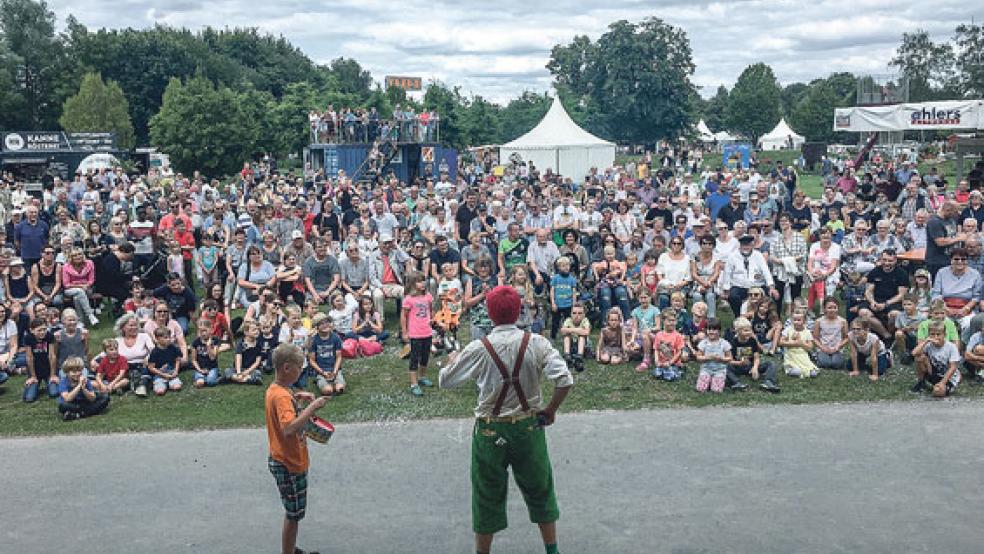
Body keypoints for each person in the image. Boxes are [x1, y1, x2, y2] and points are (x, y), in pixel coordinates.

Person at [438, 285, 572, 554]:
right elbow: (564, 379)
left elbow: (446, 381)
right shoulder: (536, 342)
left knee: (486, 494)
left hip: (490, 430)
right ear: (518, 311)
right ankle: (552, 550)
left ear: (489, 314)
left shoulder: (479, 347)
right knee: (541, 488)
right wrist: (551, 410)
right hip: (528, 426)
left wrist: (452, 359)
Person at [265, 342, 329, 554]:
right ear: (286, 368)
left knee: (294, 512)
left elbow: (285, 410)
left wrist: (297, 398)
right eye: (299, 367)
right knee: (293, 515)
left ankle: (290, 549)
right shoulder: (282, 396)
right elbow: (289, 428)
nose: (301, 370)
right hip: (289, 462)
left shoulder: (277, 389)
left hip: (282, 457)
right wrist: (313, 407)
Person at [401, 270, 434, 397]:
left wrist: (432, 321)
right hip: (415, 333)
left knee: (425, 356)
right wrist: (405, 332)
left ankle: (422, 377)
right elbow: (403, 317)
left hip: (427, 332)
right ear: (413, 284)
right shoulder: (408, 299)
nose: (423, 283)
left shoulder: (428, 296)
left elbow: (430, 311)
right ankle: (414, 384)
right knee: (414, 358)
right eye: (419, 281)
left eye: (423, 280)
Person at [727, 317, 780, 392]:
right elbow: (730, 361)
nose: (749, 332)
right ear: (738, 331)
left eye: (750, 330)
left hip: (751, 366)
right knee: (725, 366)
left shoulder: (752, 341)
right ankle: (736, 383)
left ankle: (768, 382)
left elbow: (756, 357)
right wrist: (740, 363)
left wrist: (755, 367)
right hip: (738, 367)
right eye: (745, 330)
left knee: (771, 364)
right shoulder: (733, 342)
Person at [911, 321, 961, 398]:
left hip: (948, 377)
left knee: (937, 393)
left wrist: (942, 383)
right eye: (932, 334)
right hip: (934, 372)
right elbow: (914, 353)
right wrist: (926, 341)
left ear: (944, 335)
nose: (935, 337)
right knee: (919, 357)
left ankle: (938, 386)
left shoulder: (951, 347)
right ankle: (921, 382)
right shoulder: (929, 344)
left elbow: (953, 367)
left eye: (938, 334)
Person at [57, 356, 109, 421]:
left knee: (105, 397)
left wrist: (84, 389)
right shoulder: (63, 382)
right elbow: (67, 398)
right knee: (62, 405)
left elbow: (92, 398)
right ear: (67, 373)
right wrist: (79, 385)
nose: (77, 374)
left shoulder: (86, 380)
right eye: (73, 372)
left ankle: (78, 415)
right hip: (73, 403)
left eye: (79, 371)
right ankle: (87, 412)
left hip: (85, 402)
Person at [308, 313, 344, 396]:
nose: (325, 325)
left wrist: (335, 372)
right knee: (328, 391)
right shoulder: (314, 340)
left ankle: (335, 382)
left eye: (326, 322)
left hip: (334, 369)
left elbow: (339, 357)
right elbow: (312, 360)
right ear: (316, 327)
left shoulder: (335, 337)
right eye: (321, 324)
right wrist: (323, 372)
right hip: (321, 371)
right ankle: (320, 381)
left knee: (340, 388)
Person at [695, 318, 731, 393]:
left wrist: (721, 359)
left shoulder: (724, 343)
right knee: (700, 389)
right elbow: (698, 357)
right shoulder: (703, 343)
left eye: (714, 330)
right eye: (709, 329)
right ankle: (708, 380)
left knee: (716, 390)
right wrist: (707, 357)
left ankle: (718, 380)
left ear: (719, 331)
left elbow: (729, 358)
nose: (711, 332)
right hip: (706, 369)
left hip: (719, 370)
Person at [813, 298, 849, 370]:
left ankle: (835, 359)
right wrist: (822, 347)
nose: (832, 310)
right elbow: (815, 338)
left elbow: (846, 338)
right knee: (825, 363)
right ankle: (817, 356)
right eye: (829, 308)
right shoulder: (819, 321)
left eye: (835, 308)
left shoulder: (843, 321)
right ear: (824, 309)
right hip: (823, 348)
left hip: (836, 349)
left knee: (836, 364)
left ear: (838, 308)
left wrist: (838, 346)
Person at [781, 311, 818, 378]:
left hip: (803, 356)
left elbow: (810, 347)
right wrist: (793, 343)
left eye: (799, 320)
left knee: (813, 374)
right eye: (794, 320)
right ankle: (790, 368)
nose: (796, 322)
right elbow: (781, 342)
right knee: (797, 372)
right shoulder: (788, 330)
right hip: (791, 355)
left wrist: (801, 343)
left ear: (804, 321)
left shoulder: (807, 332)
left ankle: (806, 369)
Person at [147, 326, 183, 396]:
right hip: (159, 376)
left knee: (177, 387)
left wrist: (176, 371)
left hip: (171, 373)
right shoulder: (155, 352)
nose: (169, 339)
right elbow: (151, 367)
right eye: (166, 338)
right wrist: (163, 374)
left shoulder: (173, 348)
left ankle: (172, 384)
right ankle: (161, 386)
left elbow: (178, 359)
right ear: (157, 339)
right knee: (160, 391)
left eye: (169, 337)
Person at [651, 308, 685, 381]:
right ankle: (664, 371)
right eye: (669, 321)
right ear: (663, 321)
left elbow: (679, 352)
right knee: (656, 374)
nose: (672, 323)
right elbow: (656, 349)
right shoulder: (659, 335)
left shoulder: (678, 336)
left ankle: (678, 371)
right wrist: (657, 361)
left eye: (674, 320)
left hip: (674, 363)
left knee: (670, 376)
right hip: (662, 363)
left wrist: (670, 362)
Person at [559, 303, 590, 372]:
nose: (576, 316)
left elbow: (586, 332)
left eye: (580, 313)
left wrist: (570, 330)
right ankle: (567, 356)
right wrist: (578, 330)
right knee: (566, 336)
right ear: (571, 314)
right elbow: (562, 331)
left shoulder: (585, 320)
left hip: (583, 346)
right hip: (571, 344)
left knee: (581, 337)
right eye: (574, 313)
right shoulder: (568, 320)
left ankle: (579, 358)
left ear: (584, 315)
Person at [190, 318, 221, 388]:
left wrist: (208, 346)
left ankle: (215, 377)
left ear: (211, 330)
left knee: (210, 382)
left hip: (212, 367)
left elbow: (212, 358)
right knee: (200, 381)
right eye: (200, 331)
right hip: (200, 368)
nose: (203, 333)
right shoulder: (195, 343)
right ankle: (201, 379)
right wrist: (200, 370)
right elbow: (194, 360)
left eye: (205, 331)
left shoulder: (215, 341)